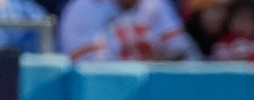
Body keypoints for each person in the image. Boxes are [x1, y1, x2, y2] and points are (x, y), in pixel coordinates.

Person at [58, 0, 201, 62]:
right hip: (100, 98)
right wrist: (152, 64)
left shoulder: (156, 4)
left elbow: (185, 52)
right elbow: (92, 71)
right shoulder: (83, 8)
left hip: (153, 93)